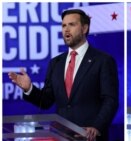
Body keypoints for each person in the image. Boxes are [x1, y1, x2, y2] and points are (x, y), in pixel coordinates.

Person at [8, 9, 119, 141]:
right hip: (60, 135)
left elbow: (110, 100)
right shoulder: (56, 63)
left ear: (84, 28)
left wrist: (96, 127)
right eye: (64, 25)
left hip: (89, 136)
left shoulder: (103, 60)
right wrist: (29, 88)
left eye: (71, 25)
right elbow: (46, 101)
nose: (66, 29)